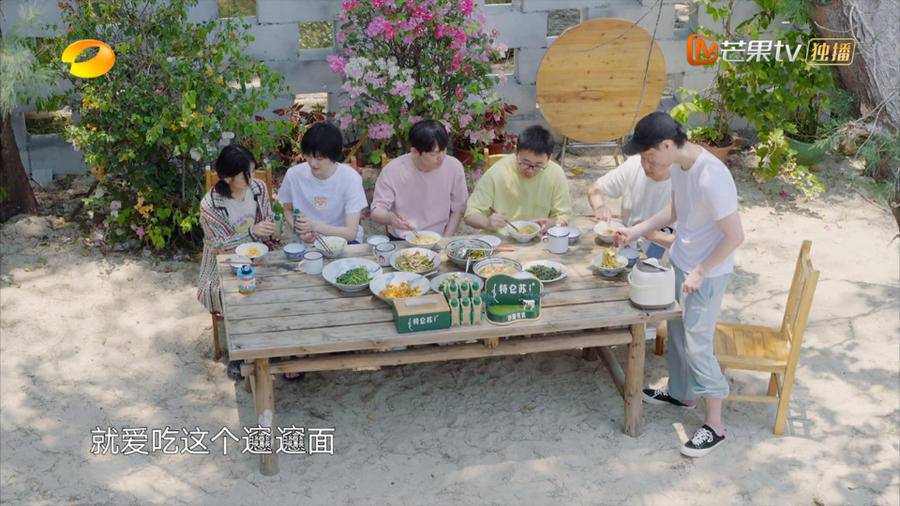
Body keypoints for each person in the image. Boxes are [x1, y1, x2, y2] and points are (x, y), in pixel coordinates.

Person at [615, 112, 744, 458]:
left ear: (667, 145)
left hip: (707, 274)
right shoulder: (681, 167)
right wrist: (636, 230)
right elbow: (674, 212)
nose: (647, 164)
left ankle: (715, 425)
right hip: (683, 263)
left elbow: (735, 236)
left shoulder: (712, 177)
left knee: (698, 344)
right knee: (676, 332)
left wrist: (701, 270)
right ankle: (682, 393)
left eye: (649, 156)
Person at [197, 145, 276, 380]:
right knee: (230, 292)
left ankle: (274, 340)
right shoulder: (210, 205)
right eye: (246, 174)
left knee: (281, 281)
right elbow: (221, 245)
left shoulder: (258, 188)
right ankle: (240, 352)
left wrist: (270, 229)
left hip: (260, 251)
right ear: (227, 177)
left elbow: (266, 221)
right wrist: (252, 232)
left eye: (252, 170)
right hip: (224, 260)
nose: (252, 178)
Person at [370, 119, 468, 240]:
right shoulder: (393, 170)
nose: (441, 157)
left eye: (443, 150)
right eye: (434, 154)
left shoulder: (454, 167)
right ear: (415, 152)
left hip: (439, 237)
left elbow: (458, 209)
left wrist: (445, 240)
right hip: (403, 239)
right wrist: (390, 218)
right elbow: (376, 211)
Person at [464, 125, 572, 233]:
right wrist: (487, 223)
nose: (530, 171)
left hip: (538, 237)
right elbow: (470, 214)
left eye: (538, 165)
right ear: (516, 151)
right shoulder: (497, 172)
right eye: (525, 163)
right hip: (500, 238)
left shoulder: (556, 173)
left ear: (549, 158)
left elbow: (563, 215)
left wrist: (553, 223)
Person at [278, 122, 368, 244]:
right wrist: (300, 230)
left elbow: (351, 233)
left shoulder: (350, 178)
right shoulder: (294, 175)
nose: (313, 163)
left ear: (334, 156)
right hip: (309, 243)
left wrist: (315, 226)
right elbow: (287, 210)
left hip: (344, 242)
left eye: (319, 158)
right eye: (308, 156)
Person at [588, 154, 675, 250]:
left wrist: (653, 234)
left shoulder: (683, 181)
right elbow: (595, 190)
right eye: (643, 158)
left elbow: (686, 245)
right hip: (626, 248)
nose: (646, 166)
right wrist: (599, 206)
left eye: (652, 161)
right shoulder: (634, 165)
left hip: (666, 255)